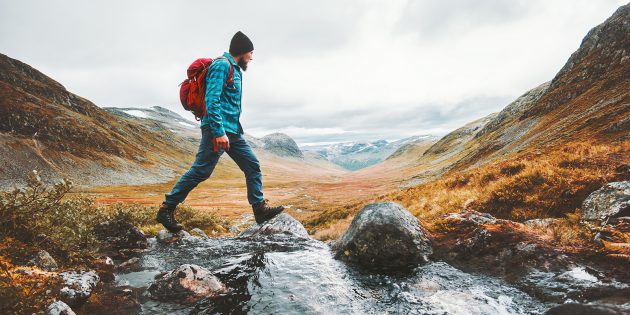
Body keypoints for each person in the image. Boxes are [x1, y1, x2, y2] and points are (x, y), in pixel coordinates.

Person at [157, 31, 285, 233]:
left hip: (233, 131)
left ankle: (259, 209)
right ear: (242, 52)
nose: (251, 57)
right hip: (217, 130)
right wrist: (218, 132)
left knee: (252, 165)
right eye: (250, 53)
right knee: (201, 171)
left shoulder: (235, 69)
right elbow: (211, 99)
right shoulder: (221, 66)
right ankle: (166, 208)